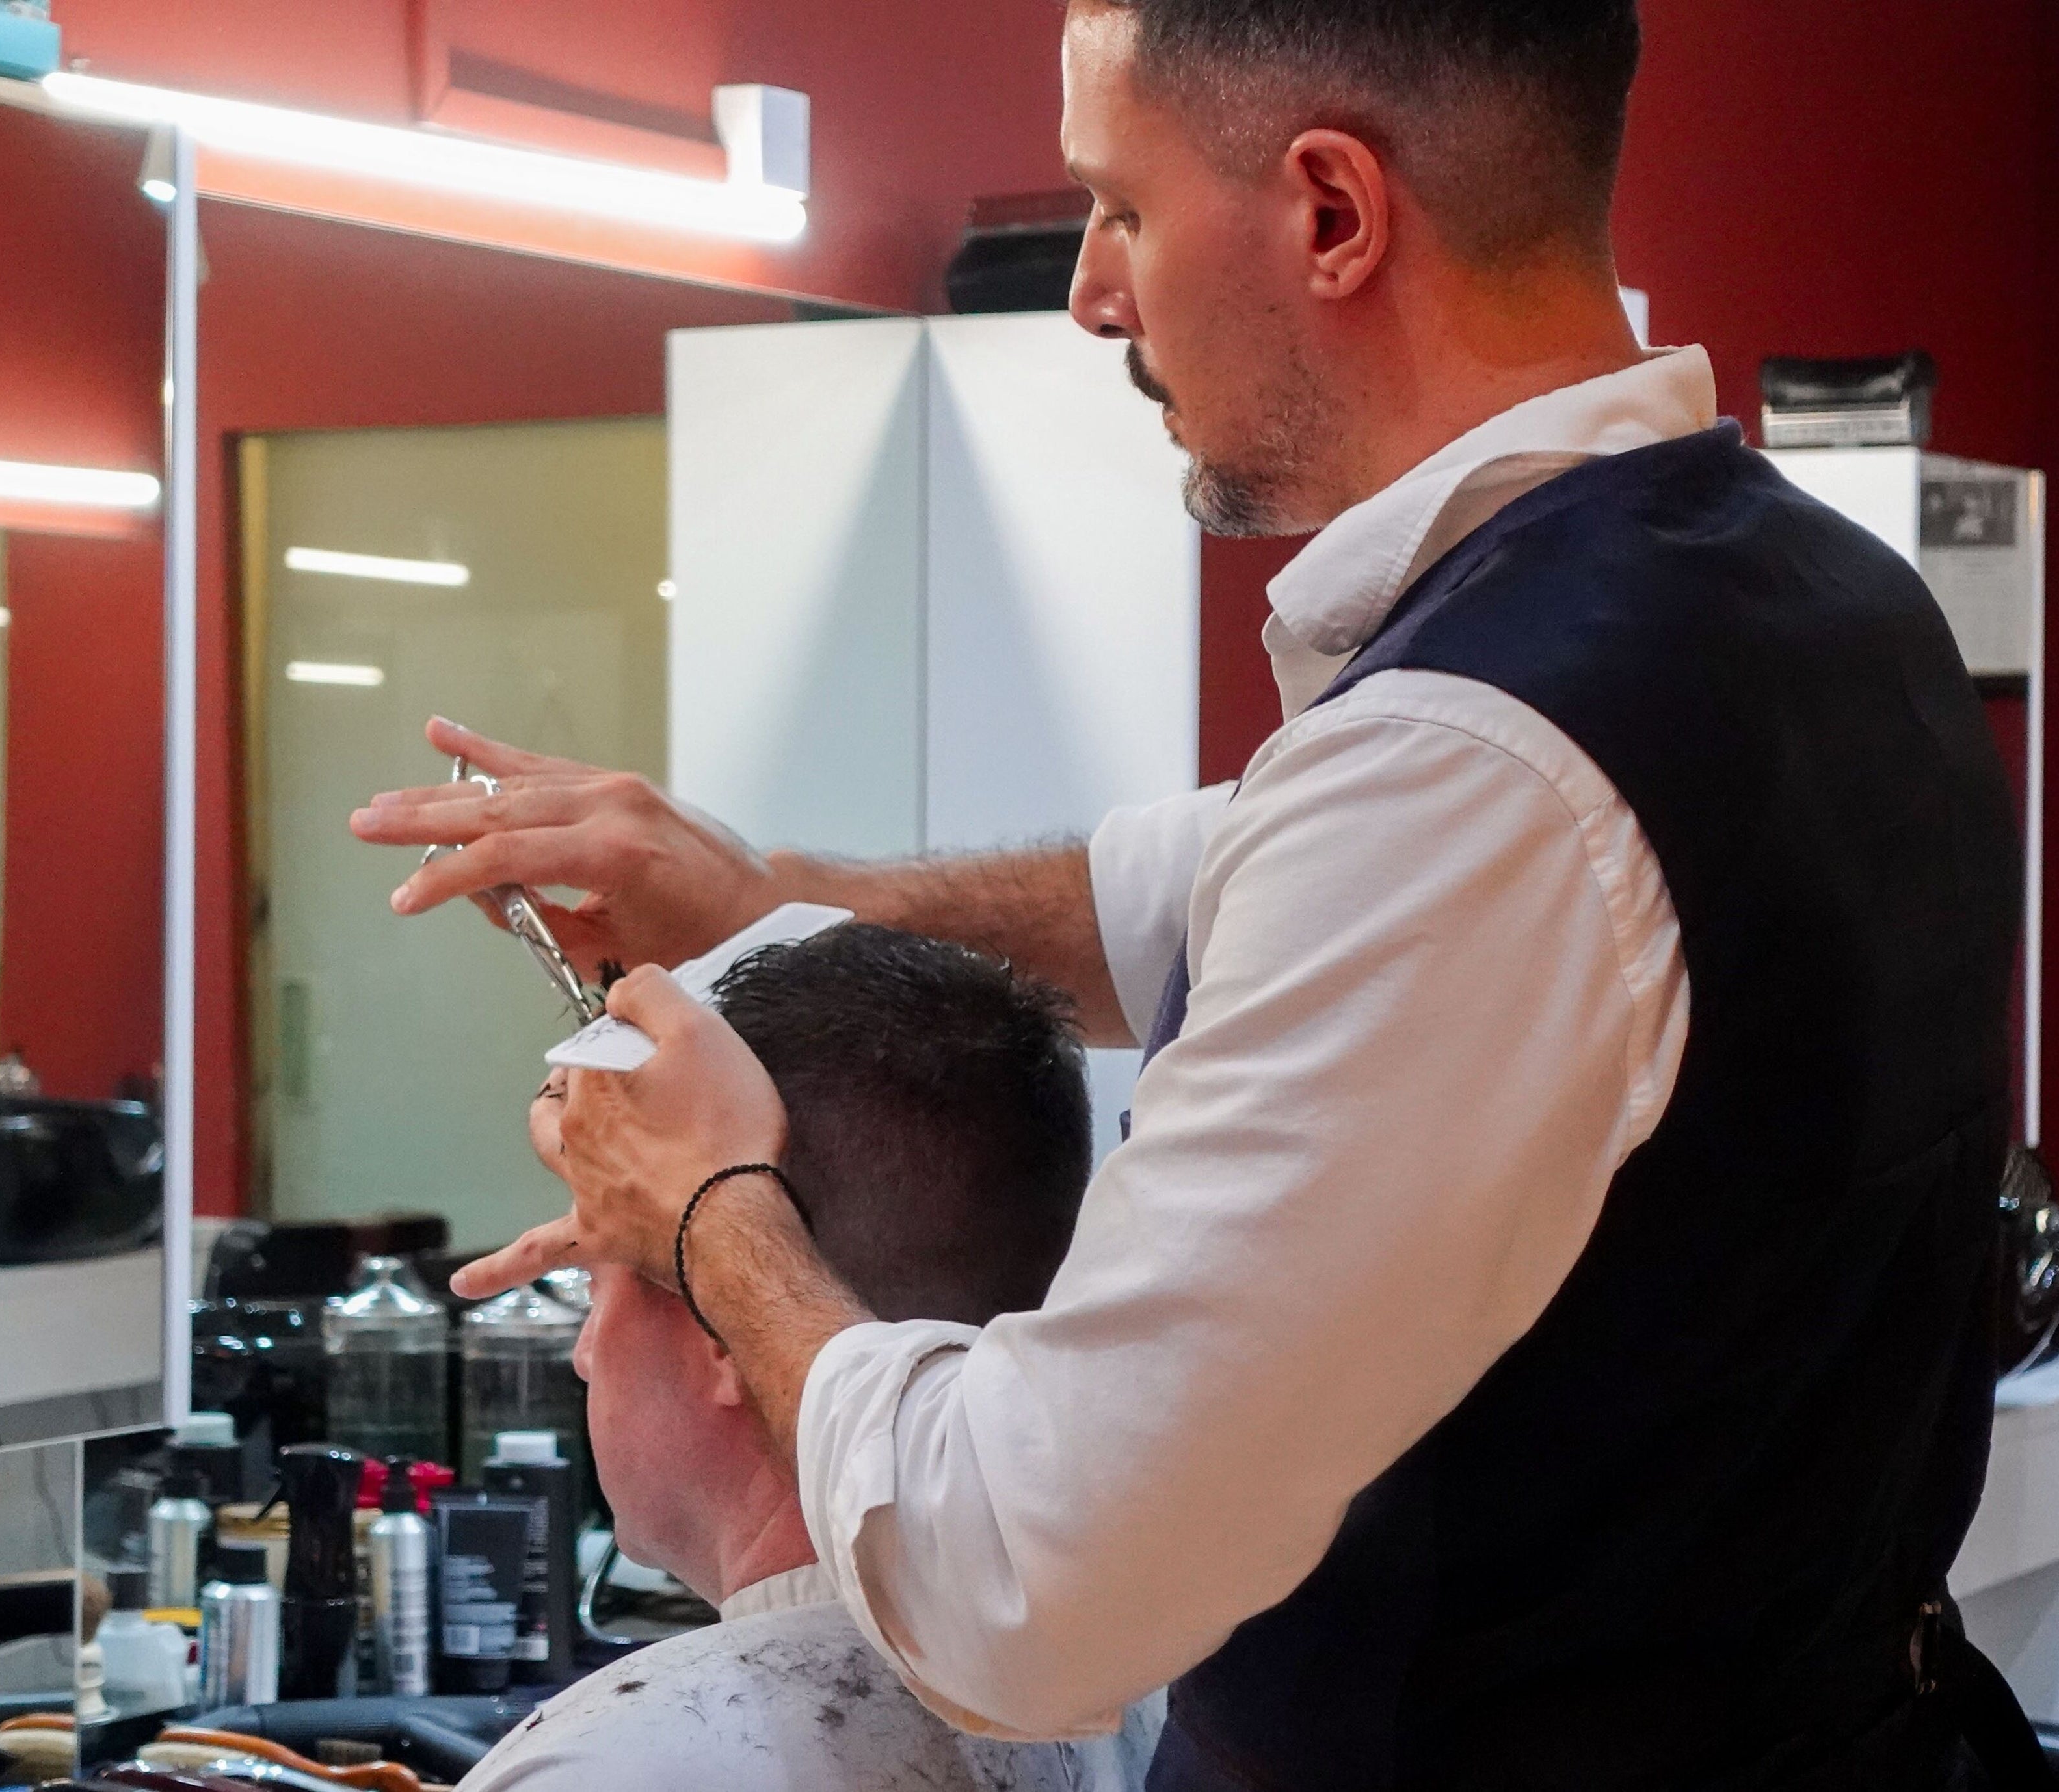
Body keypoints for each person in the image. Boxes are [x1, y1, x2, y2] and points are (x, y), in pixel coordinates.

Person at [353, 1, 2028, 1784]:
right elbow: (1180, 895)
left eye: (1121, 207)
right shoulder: (1810, 604)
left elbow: (1023, 1588)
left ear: (1331, 213)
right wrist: (763, 893)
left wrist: (712, 1217)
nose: (1088, 291)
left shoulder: (1477, 769)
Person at [461, 925, 1160, 1791]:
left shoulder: (606, 1768)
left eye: (597, 1288)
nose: (584, 1354)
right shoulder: (1156, 1710)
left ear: (726, 1324)